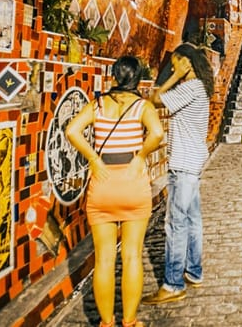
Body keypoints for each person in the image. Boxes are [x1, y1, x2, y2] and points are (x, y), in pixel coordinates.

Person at [66, 56, 164, 327]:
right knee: (131, 255)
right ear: (136, 78)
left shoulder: (97, 105)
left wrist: (94, 159)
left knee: (104, 259)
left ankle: (106, 323)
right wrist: (141, 156)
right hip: (133, 183)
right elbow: (157, 133)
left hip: (103, 182)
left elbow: (72, 130)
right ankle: (129, 321)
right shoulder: (141, 106)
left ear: (114, 76)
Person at [142, 43, 214, 305]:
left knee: (176, 224)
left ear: (187, 63)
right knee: (193, 220)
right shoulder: (199, 88)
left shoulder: (189, 87)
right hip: (192, 161)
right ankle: (193, 271)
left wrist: (174, 76)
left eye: (176, 63)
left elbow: (155, 98)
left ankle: (173, 285)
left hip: (184, 163)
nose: (173, 68)